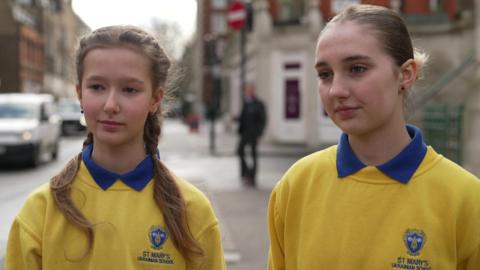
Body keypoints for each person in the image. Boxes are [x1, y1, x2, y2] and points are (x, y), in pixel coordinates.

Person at [267, 4, 480, 270]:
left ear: (406, 74)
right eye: (325, 74)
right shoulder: (295, 186)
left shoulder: (466, 199)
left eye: (357, 69)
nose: (336, 90)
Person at [5, 25, 226, 270]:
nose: (110, 105)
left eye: (130, 89)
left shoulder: (192, 211)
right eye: (97, 87)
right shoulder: (41, 212)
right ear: (79, 93)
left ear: (155, 99)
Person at [237, 83, 267, 186]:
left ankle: (252, 176)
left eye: (250, 89)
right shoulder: (246, 103)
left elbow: (263, 120)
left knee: (253, 154)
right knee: (239, 151)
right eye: (247, 90)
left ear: (253, 90)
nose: (248, 91)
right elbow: (243, 118)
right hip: (245, 133)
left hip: (254, 133)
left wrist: (259, 133)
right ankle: (246, 172)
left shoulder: (259, 104)